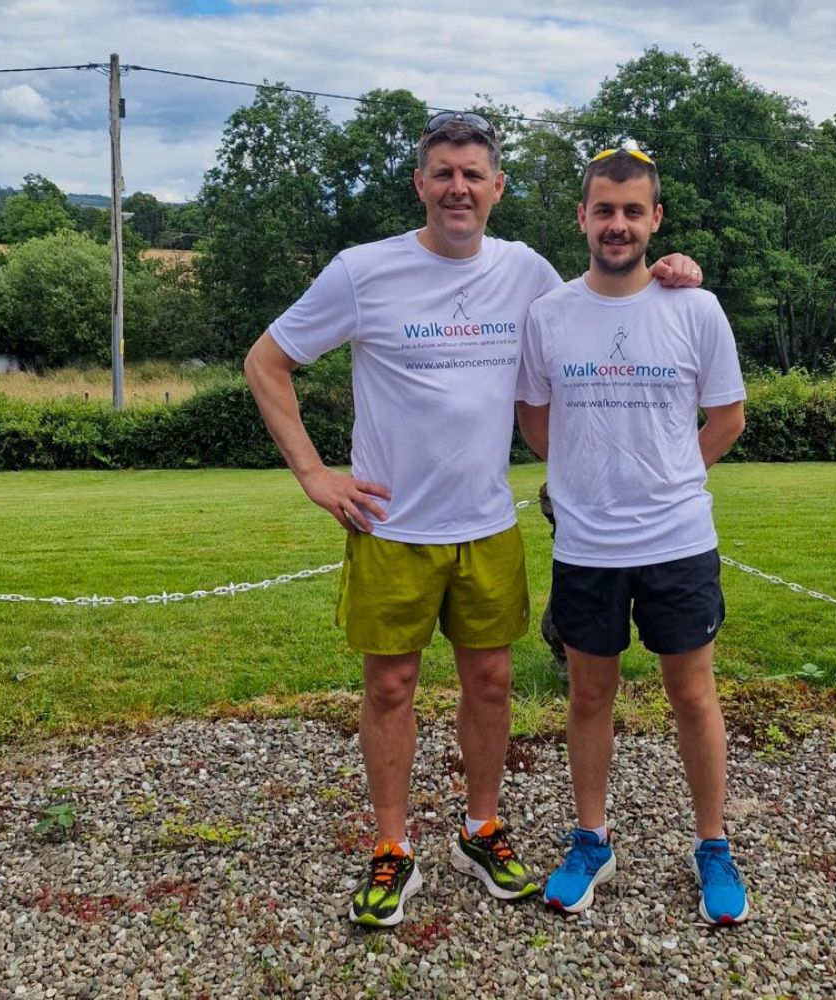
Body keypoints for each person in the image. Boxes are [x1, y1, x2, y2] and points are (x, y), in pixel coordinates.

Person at [243, 113, 703, 928]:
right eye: (442, 172)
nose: (458, 187)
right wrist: (313, 474)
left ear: (496, 188)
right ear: (420, 184)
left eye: (473, 174)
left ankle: (480, 828)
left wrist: (673, 270)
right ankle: (391, 849)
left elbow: (601, 300)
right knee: (390, 685)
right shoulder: (362, 271)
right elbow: (266, 360)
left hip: (487, 521)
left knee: (489, 684)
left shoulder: (524, 271)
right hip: (392, 525)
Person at [515, 146, 750, 925]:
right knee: (589, 695)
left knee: (691, 694)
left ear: (655, 220)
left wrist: (668, 478)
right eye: (603, 210)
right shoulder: (548, 313)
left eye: (631, 211)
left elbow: (726, 419)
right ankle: (591, 840)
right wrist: (586, 477)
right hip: (586, 544)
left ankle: (712, 845)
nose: (616, 225)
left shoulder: (695, 307)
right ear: (581, 217)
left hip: (678, 539)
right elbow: (534, 418)